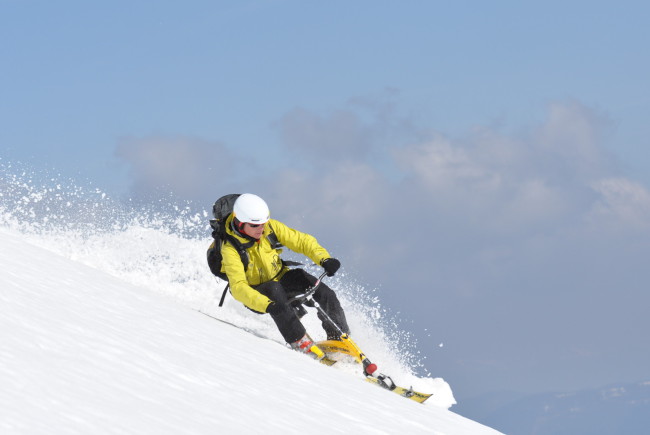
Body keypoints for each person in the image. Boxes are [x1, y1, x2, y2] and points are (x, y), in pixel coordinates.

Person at [219, 193, 350, 360]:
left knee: (324, 293)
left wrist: (324, 258)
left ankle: (341, 342)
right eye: (255, 225)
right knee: (275, 294)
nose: (261, 229)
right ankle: (303, 345)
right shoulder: (230, 249)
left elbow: (301, 241)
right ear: (239, 223)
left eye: (263, 223)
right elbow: (238, 287)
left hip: (281, 278)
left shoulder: (269, 228)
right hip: (259, 294)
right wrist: (268, 305)